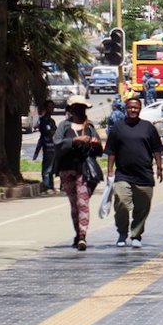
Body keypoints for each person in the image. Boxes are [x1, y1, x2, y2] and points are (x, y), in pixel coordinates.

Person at [105, 96, 163, 249]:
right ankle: (122, 233)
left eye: (136, 107)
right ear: (126, 108)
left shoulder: (148, 127)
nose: (133, 110)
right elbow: (111, 151)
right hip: (123, 174)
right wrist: (110, 170)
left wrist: (159, 167)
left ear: (140, 109)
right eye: (130, 107)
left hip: (144, 174)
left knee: (142, 208)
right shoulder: (118, 127)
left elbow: (157, 149)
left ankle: (136, 235)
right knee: (122, 203)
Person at [53, 96, 102, 251]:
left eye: (82, 107)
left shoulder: (90, 127)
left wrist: (94, 144)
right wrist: (74, 141)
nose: (79, 110)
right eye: (76, 107)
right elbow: (57, 143)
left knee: (83, 203)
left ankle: (82, 236)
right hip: (67, 169)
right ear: (71, 109)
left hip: (84, 170)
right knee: (74, 205)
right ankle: (77, 233)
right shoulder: (64, 126)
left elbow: (99, 150)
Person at [33, 99, 57, 193]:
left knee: (52, 168)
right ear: (46, 108)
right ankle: (46, 186)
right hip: (47, 146)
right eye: (49, 107)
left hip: (53, 146)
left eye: (52, 107)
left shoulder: (52, 121)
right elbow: (48, 133)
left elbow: (55, 132)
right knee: (47, 168)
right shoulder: (43, 120)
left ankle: (51, 185)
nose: (52, 109)